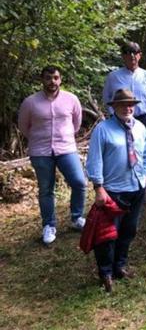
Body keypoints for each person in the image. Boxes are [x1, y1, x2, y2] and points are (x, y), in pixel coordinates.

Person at [85, 89, 146, 292]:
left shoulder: (140, 127)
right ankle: (105, 272)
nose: (128, 107)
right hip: (112, 191)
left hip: (137, 187)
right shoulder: (103, 130)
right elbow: (94, 160)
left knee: (129, 230)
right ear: (114, 107)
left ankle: (120, 266)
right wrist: (98, 187)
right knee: (107, 235)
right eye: (123, 104)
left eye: (131, 103)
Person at [17, 65, 87, 244]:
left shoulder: (71, 99)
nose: (52, 82)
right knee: (46, 189)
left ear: (60, 79)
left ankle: (77, 217)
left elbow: (76, 123)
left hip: (66, 149)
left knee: (79, 182)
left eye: (55, 78)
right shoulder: (30, 102)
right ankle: (49, 225)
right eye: (48, 78)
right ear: (42, 80)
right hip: (41, 152)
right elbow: (24, 127)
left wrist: (65, 137)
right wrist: (38, 139)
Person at [102, 41, 146, 129]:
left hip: (142, 119)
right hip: (119, 118)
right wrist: (112, 114)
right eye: (128, 52)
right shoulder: (113, 76)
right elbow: (107, 97)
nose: (132, 55)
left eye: (135, 52)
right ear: (123, 56)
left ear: (140, 55)